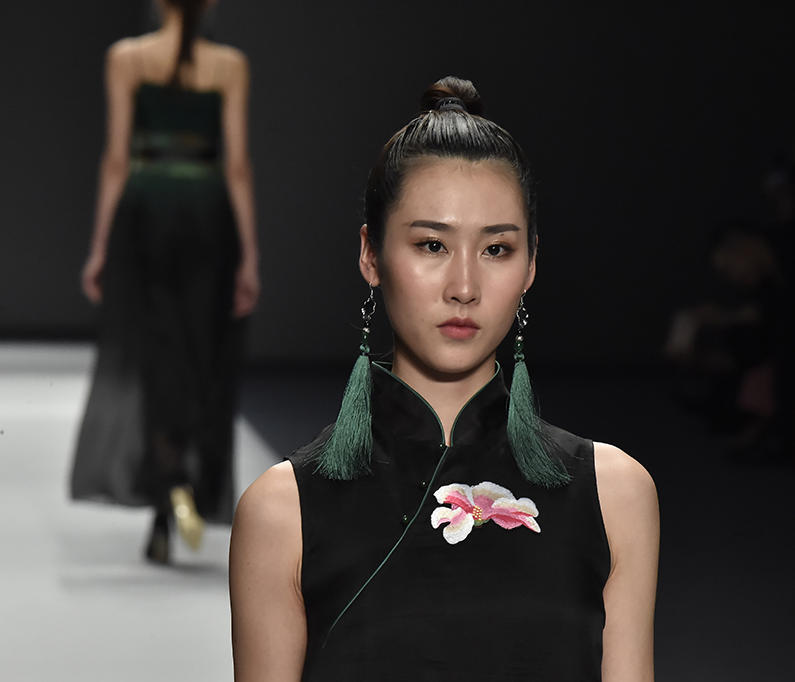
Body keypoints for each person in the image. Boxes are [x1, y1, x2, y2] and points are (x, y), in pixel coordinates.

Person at [229, 77, 658, 681]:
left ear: (531, 264)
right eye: (432, 245)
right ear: (371, 255)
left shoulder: (613, 495)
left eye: (496, 250)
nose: (464, 287)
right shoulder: (283, 512)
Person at [70, 0, 259, 564]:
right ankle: (179, 484)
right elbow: (237, 165)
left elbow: (115, 158)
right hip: (206, 212)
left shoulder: (126, 58)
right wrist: (249, 256)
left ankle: (166, 495)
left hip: (147, 210)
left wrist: (99, 247)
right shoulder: (230, 65)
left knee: (156, 355)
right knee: (200, 352)